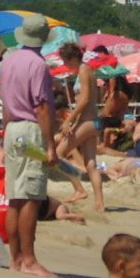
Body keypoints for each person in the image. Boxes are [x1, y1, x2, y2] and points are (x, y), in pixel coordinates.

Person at [0, 13, 60, 278]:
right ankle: (29, 259)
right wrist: (51, 144)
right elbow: (42, 106)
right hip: (31, 128)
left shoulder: (8, 61)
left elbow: (6, 101)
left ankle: (14, 258)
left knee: (15, 197)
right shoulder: (38, 64)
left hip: (12, 128)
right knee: (32, 197)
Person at [55, 41, 109, 213]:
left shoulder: (84, 70)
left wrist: (69, 120)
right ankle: (99, 203)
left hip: (87, 121)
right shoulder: (85, 71)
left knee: (58, 154)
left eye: (65, 60)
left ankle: (79, 189)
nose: (64, 64)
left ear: (72, 58)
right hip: (92, 121)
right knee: (90, 163)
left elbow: (85, 99)